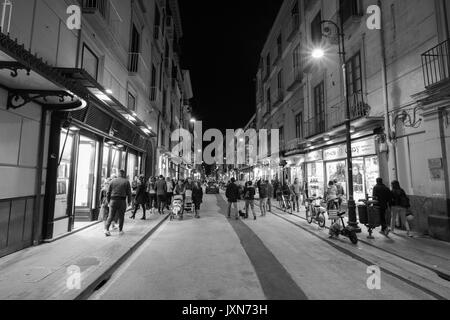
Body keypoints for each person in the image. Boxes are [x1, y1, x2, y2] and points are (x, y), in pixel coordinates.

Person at [105, 170, 131, 237]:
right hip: (122, 201)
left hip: (113, 200)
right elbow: (129, 193)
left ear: (118, 174)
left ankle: (106, 230)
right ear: (123, 174)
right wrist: (129, 202)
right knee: (121, 216)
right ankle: (120, 230)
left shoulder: (112, 181)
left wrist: (108, 201)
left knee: (110, 216)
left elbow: (108, 193)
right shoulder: (126, 182)